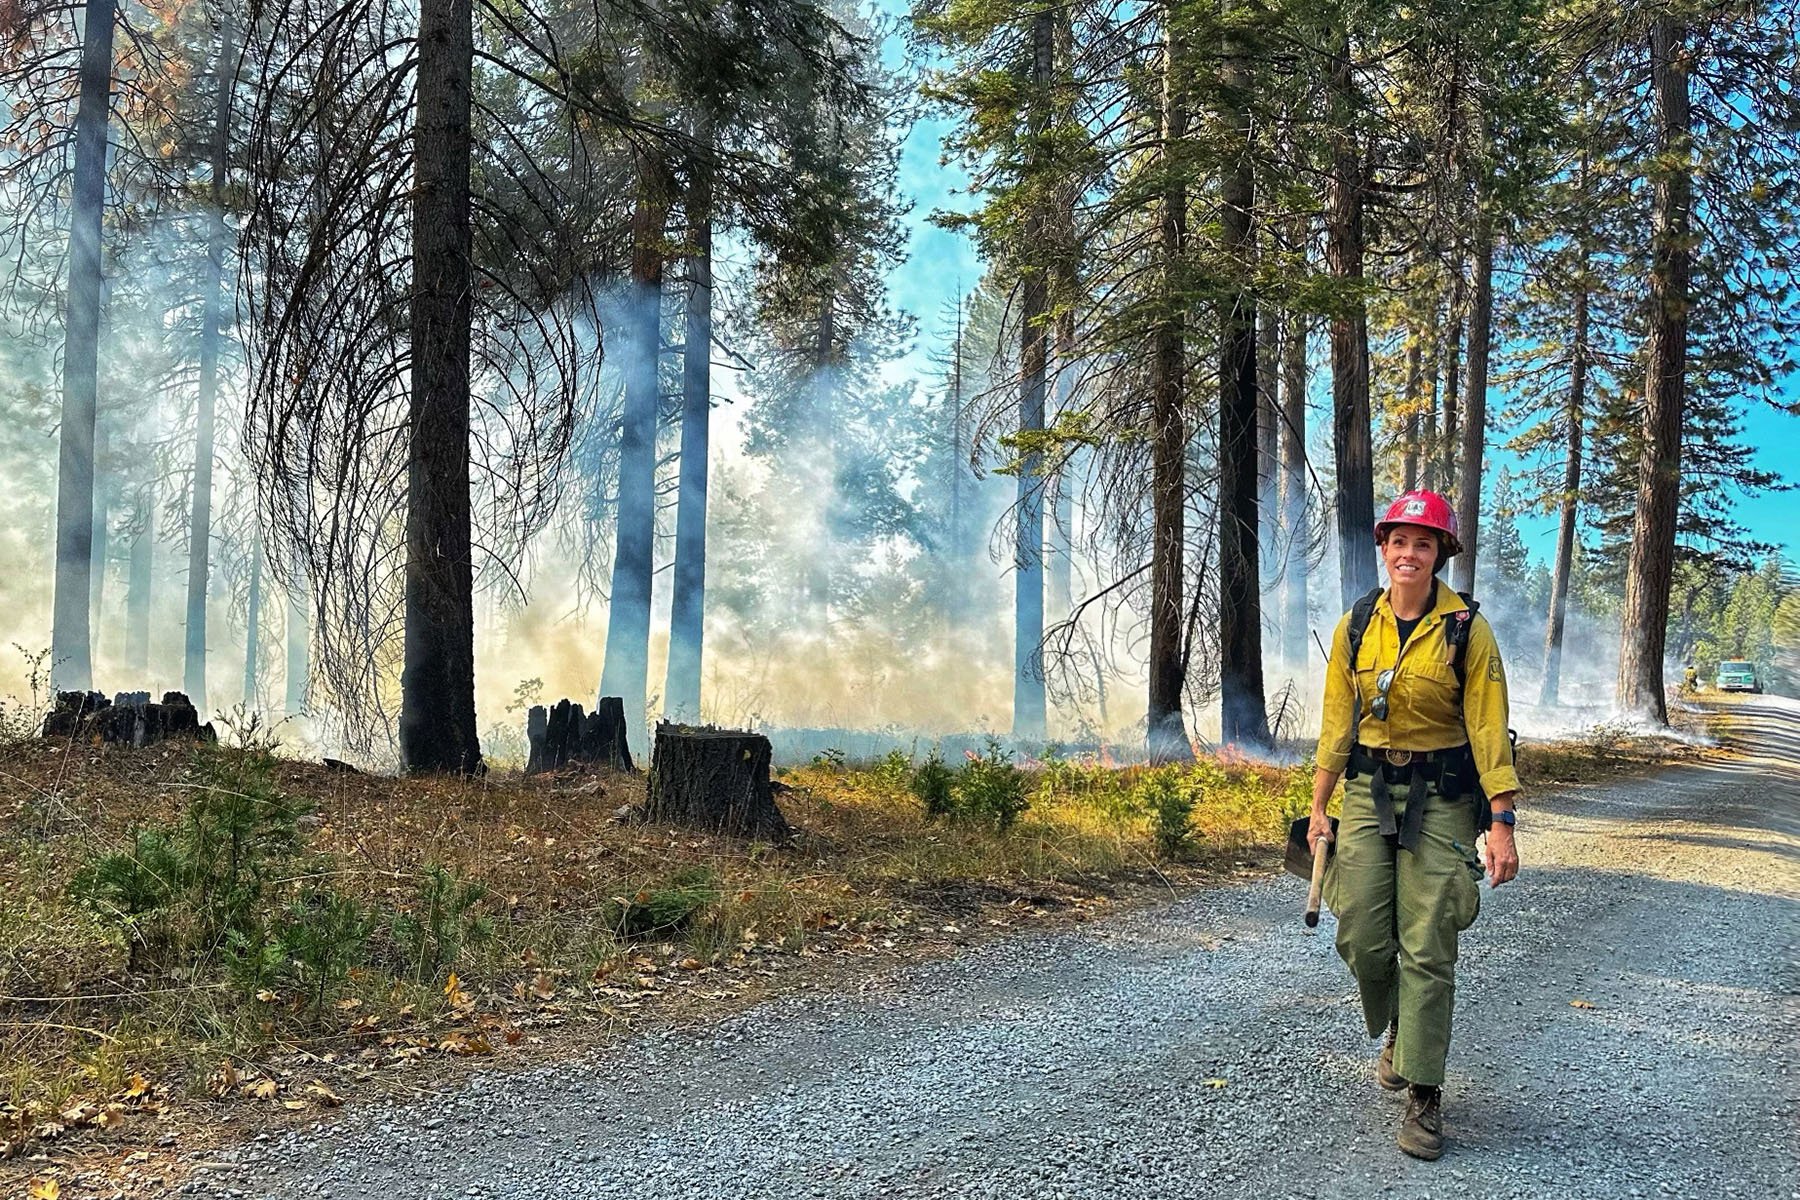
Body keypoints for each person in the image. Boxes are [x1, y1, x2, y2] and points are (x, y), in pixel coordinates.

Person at [1307, 488, 1520, 1161]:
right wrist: (1318, 805)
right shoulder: (1356, 624)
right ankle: (1401, 1027)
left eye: (1423, 543)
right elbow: (1337, 721)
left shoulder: (1467, 629)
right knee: (1365, 938)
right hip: (1369, 791)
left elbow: (1488, 728)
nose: (1409, 553)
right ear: (1384, 546)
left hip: (1444, 798)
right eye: (1399, 540)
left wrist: (1502, 820)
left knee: (1428, 943)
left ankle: (1424, 1093)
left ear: (1440, 554)